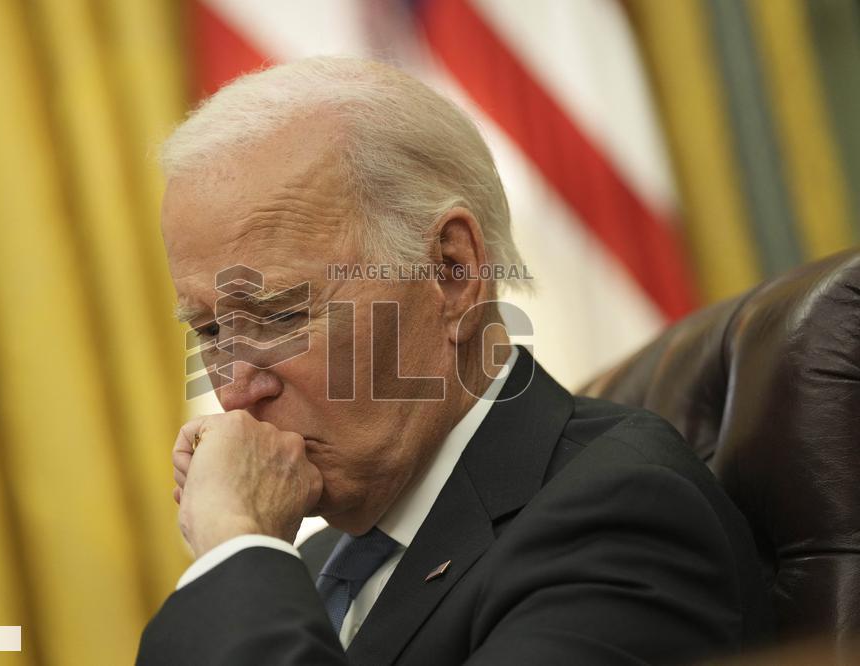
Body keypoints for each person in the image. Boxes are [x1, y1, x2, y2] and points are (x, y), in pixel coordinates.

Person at [136, 56, 772, 665]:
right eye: (213, 329)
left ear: (452, 272)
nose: (236, 392)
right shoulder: (301, 570)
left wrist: (234, 545)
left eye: (279, 316)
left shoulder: (624, 515)